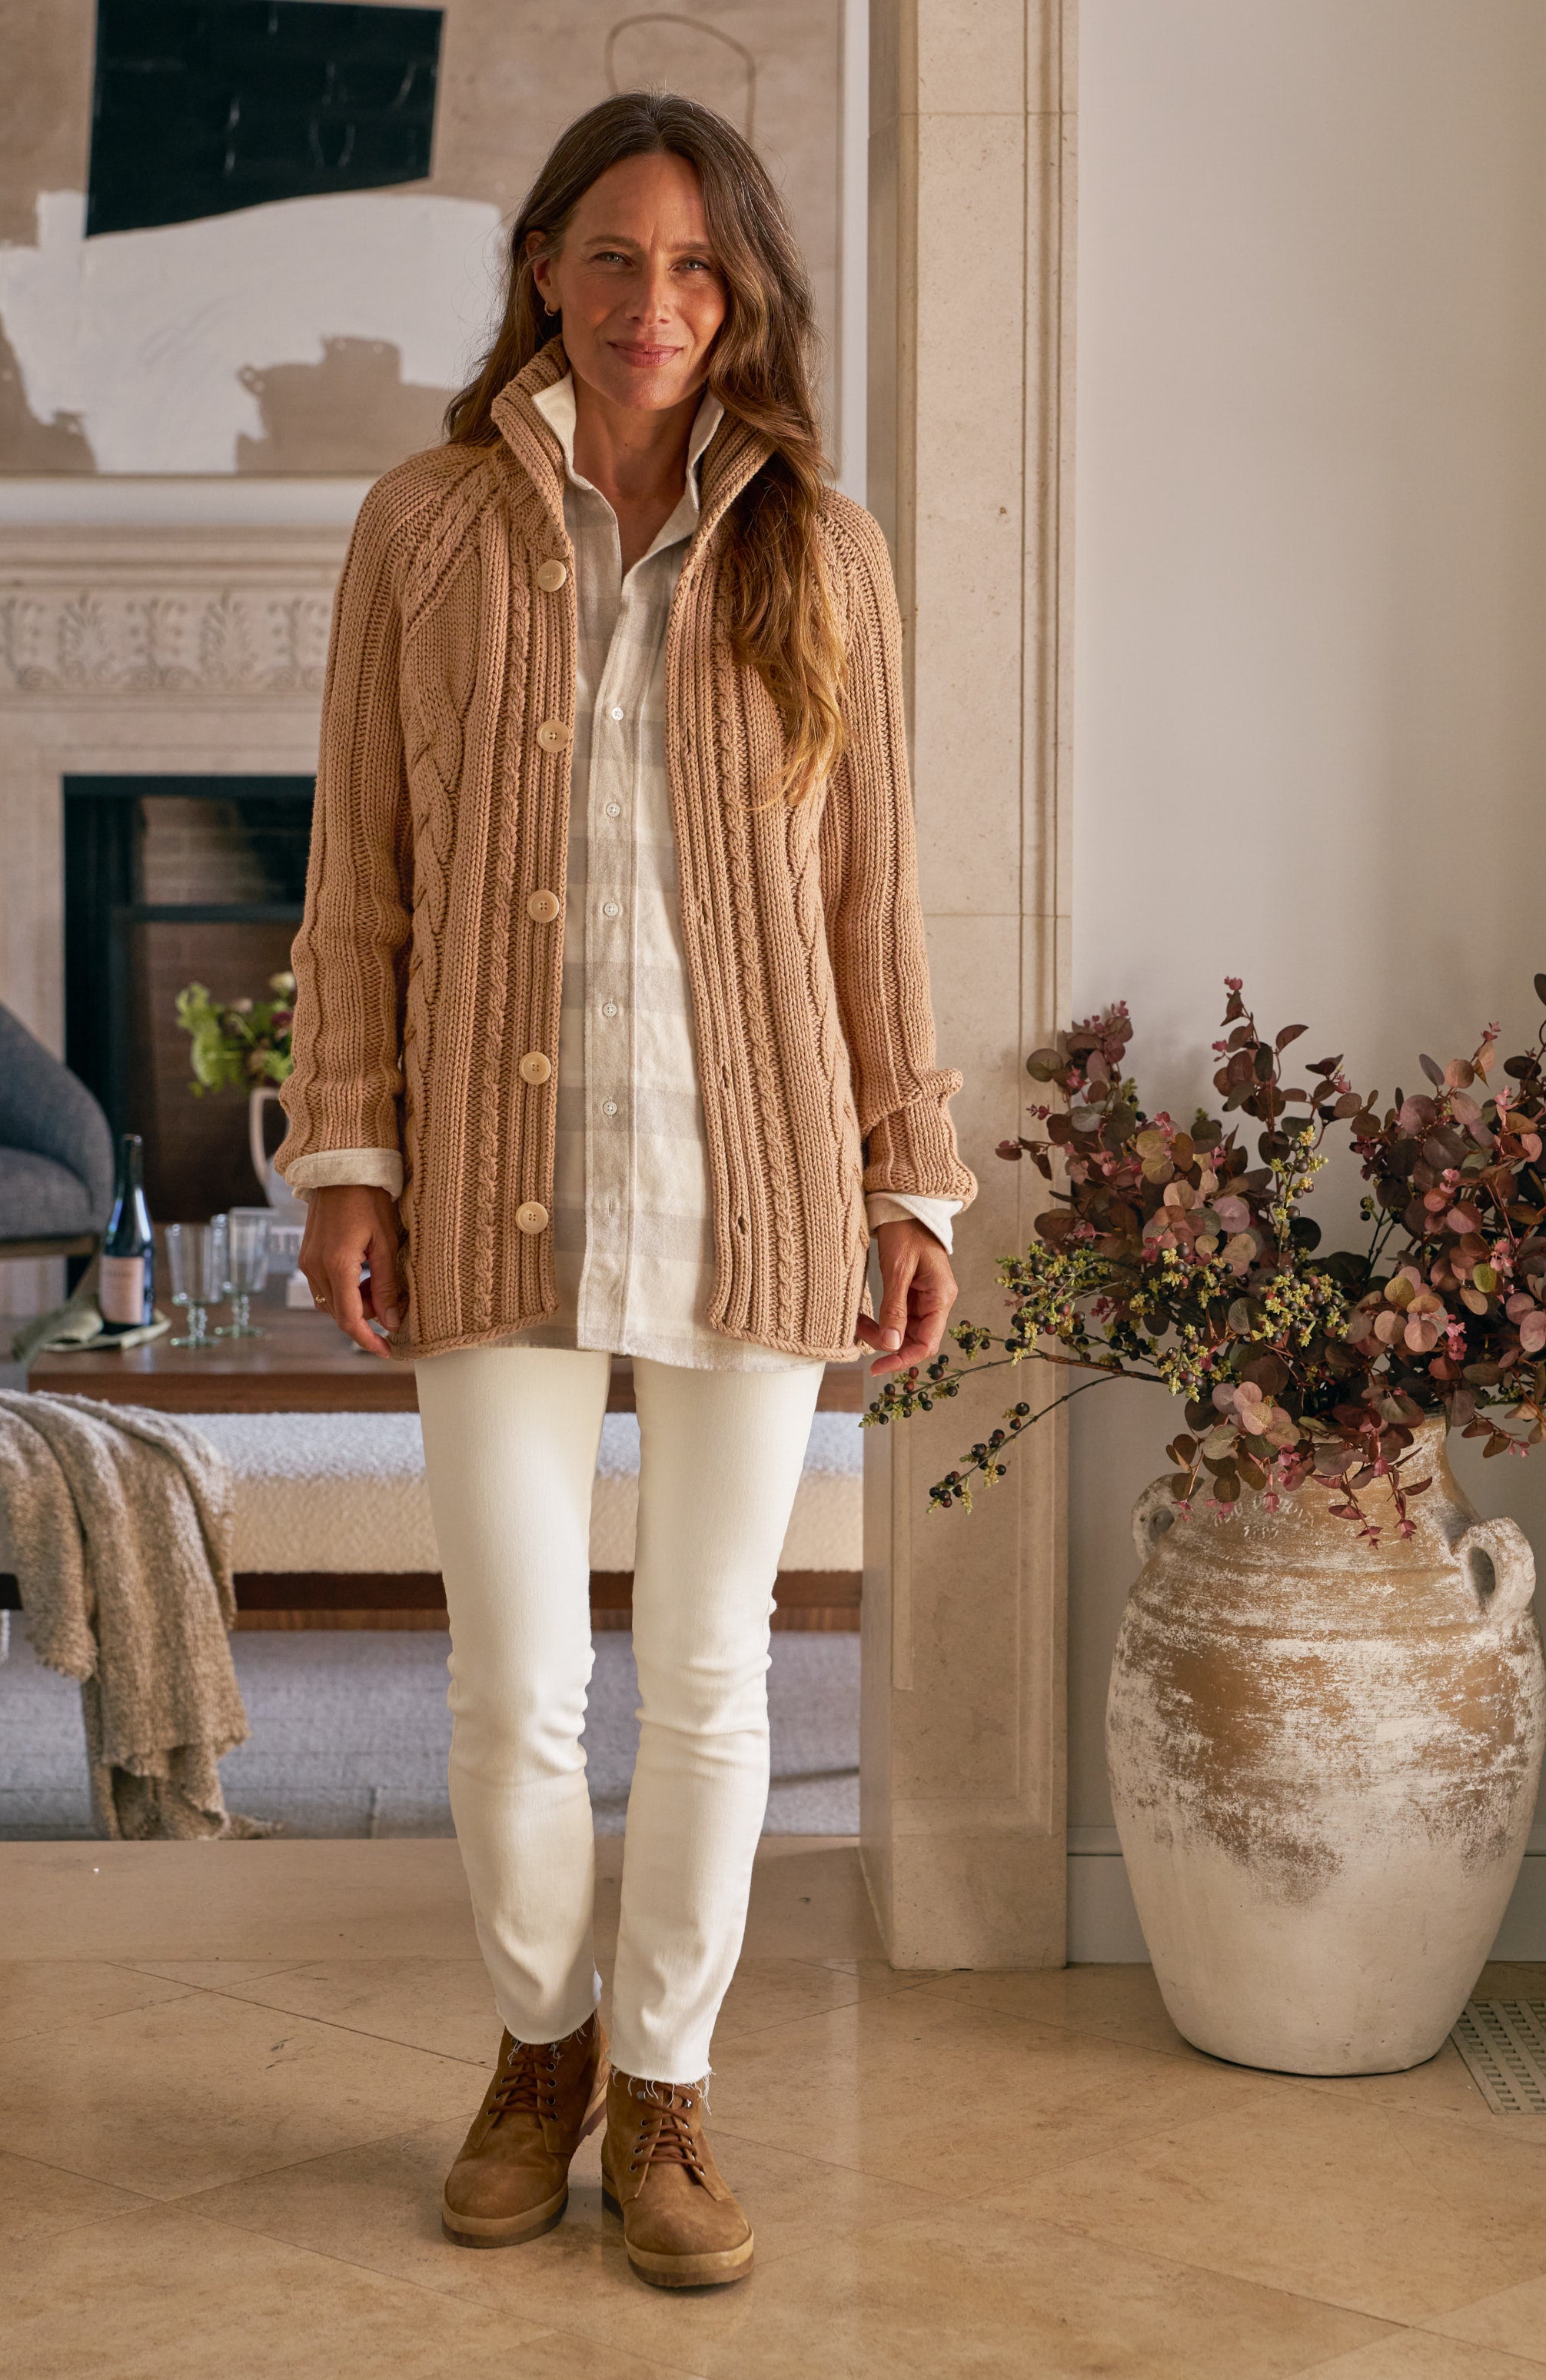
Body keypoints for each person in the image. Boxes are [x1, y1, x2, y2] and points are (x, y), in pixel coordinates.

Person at [277, 89, 975, 2292]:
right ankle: (537, 2043)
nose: (651, 302)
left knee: (709, 1677)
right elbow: (354, 870)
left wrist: (911, 1182)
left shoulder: (821, 550)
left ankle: (664, 2097)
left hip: (752, 1185)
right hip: (492, 1183)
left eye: (692, 265)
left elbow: (874, 903)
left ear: (738, 288)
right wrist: (347, 1148)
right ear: (545, 273)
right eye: (610, 256)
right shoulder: (420, 526)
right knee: (508, 1679)